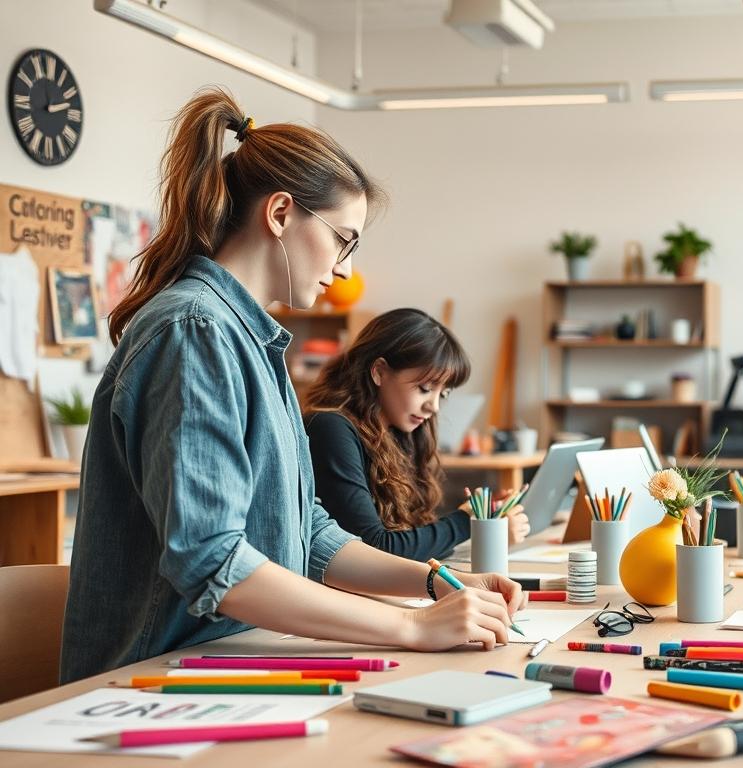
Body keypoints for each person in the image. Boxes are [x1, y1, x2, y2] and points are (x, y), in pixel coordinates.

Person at [61, 88, 523, 684]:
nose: (346, 269)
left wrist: (435, 582)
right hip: (152, 679)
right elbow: (213, 560)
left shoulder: (254, 342)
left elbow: (306, 531)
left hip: (232, 660)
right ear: (280, 214)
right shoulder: (194, 331)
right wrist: (411, 628)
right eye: (343, 239)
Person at [304, 308, 530, 561]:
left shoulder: (399, 433)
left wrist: (485, 530)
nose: (433, 407)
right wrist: (468, 520)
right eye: (425, 389)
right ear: (379, 371)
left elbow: (413, 543)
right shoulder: (330, 428)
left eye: (442, 394)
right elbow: (376, 550)